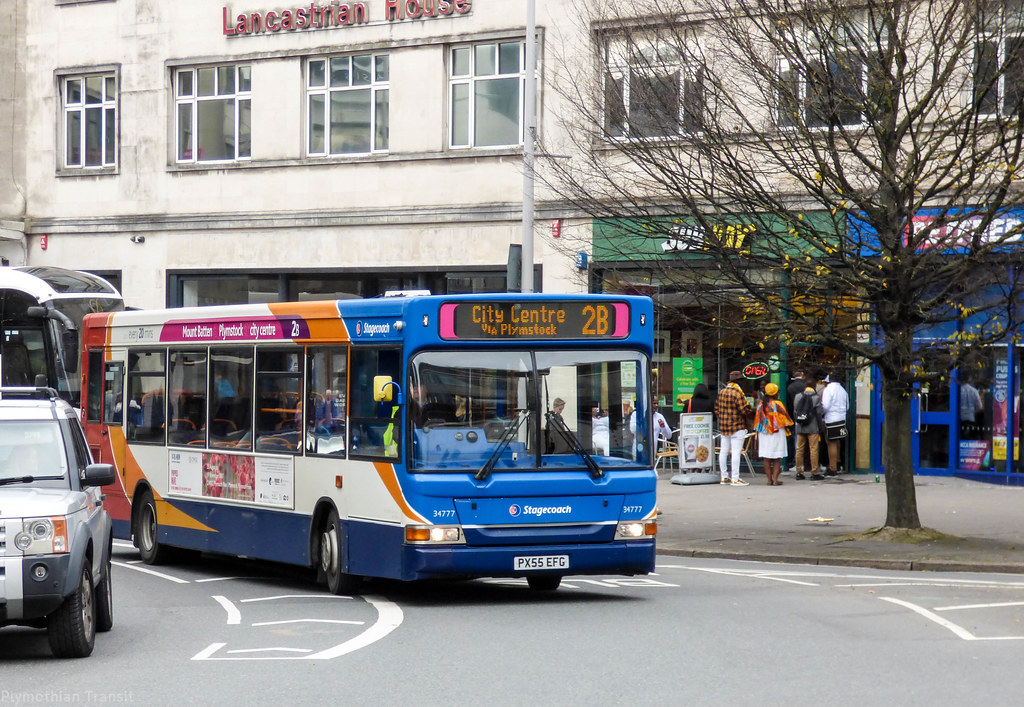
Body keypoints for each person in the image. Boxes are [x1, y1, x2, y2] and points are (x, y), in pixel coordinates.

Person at [714, 371, 754, 486]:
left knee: (723, 451)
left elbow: (716, 409)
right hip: (737, 426)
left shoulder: (721, 392)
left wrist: (723, 418)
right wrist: (750, 409)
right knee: (736, 452)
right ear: (738, 381)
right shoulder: (737, 393)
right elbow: (744, 410)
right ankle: (735, 478)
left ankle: (724, 477)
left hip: (724, 426)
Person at [755, 382, 794, 485]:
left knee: (766, 458)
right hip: (777, 433)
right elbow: (786, 419)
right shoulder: (778, 404)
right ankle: (776, 480)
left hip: (764, 434)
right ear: (776, 393)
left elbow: (757, 421)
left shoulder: (760, 405)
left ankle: (769, 480)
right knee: (777, 458)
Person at [792, 383, 825, 481]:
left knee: (799, 449)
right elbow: (819, 413)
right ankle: (814, 472)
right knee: (813, 449)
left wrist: (799, 421)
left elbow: (795, 411)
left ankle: (799, 472)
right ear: (814, 387)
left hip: (801, 426)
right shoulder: (816, 398)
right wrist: (820, 426)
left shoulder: (798, 396)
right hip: (812, 426)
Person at [820, 371, 850, 476]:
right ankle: (837, 462)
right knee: (837, 442)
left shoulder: (828, 390)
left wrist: (821, 414)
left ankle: (832, 468)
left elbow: (825, 406)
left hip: (831, 419)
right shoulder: (843, 390)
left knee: (831, 442)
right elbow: (847, 407)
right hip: (841, 419)